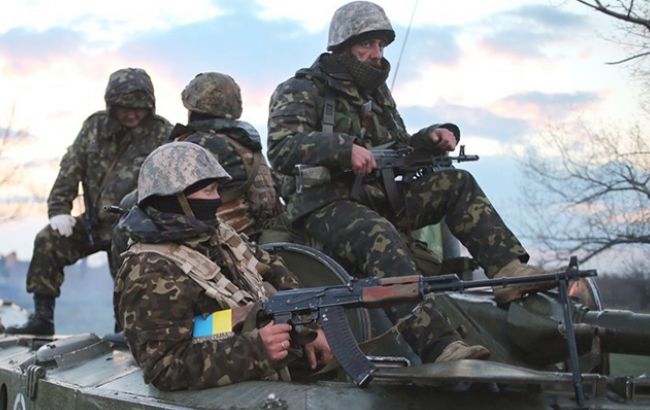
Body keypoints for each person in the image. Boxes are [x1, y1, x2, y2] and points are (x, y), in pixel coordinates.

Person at [115, 142, 489, 391]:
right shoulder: (150, 270)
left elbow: (273, 271)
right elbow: (164, 367)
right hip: (237, 386)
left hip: (274, 366)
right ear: (176, 199)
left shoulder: (213, 234)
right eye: (208, 191)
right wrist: (257, 350)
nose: (217, 200)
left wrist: (310, 327)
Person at [267, 1, 552, 310]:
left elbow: (396, 146)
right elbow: (281, 148)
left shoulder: (377, 94)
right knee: (380, 236)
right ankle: (432, 333)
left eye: (381, 45)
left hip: (378, 196)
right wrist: (343, 150)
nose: (377, 54)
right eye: (367, 44)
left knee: (457, 183)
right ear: (342, 46)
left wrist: (430, 139)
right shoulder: (302, 89)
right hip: (323, 204)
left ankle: (508, 271)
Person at [6, 67, 172, 335]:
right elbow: (71, 167)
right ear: (112, 105)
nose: (132, 114)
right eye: (125, 108)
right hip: (94, 224)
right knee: (48, 241)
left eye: (139, 109)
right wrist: (59, 209)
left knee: (131, 274)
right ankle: (42, 319)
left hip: (135, 228)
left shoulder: (163, 134)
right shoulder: (94, 128)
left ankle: (126, 330)